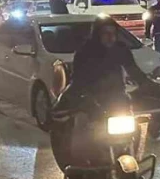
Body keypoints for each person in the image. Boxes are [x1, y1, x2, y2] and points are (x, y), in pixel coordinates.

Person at [52, 16, 151, 170]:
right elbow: (78, 80)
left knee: (134, 127)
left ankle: (132, 156)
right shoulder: (85, 51)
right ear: (97, 34)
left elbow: (134, 71)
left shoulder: (120, 49)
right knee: (80, 131)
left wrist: (150, 87)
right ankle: (79, 168)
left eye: (113, 33)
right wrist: (76, 100)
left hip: (117, 99)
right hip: (91, 100)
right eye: (106, 33)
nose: (110, 37)